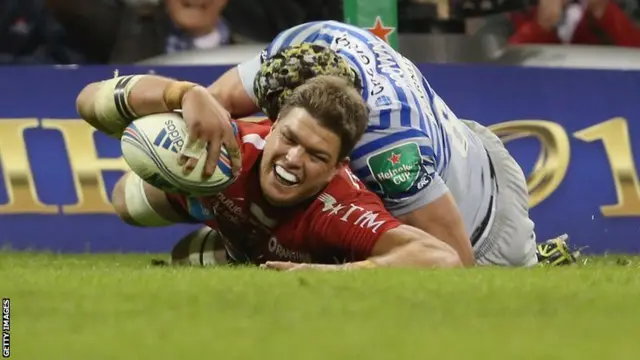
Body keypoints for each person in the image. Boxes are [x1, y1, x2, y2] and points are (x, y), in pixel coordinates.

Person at [150, 20, 576, 267]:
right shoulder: (298, 48)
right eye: (283, 126)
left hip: (484, 227)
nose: (272, 131)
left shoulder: (389, 149)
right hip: (460, 140)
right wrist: (188, 102)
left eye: (313, 142)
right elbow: (216, 106)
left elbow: (454, 259)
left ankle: (536, 257)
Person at [76, 74, 462, 270]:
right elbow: (88, 99)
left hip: (275, 245)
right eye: (289, 138)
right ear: (272, 125)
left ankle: (233, 246)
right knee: (127, 202)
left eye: (315, 154)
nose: (293, 158)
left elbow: (442, 258)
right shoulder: (228, 144)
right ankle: (214, 218)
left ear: (336, 170)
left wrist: (343, 275)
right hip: (217, 196)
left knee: (185, 260)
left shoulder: (340, 208)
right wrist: (184, 93)